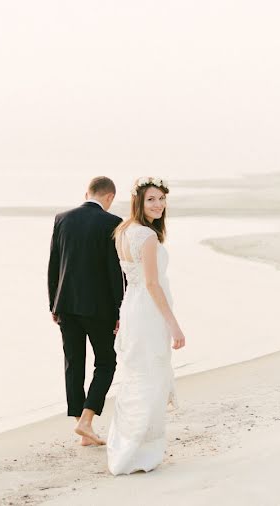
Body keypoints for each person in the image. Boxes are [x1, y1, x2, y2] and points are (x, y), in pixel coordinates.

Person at [107, 177, 186, 475]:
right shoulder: (148, 237)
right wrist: (174, 325)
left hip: (131, 309)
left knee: (136, 376)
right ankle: (140, 451)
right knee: (150, 377)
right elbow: (152, 284)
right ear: (138, 202)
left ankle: (126, 445)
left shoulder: (123, 231)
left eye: (162, 199)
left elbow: (134, 280)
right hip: (149, 313)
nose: (158, 205)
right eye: (151, 199)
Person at [48, 176, 125, 446]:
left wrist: (53, 304)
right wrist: (120, 308)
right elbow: (114, 272)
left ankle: (80, 426)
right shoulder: (112, 223)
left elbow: (54, 264)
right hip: (98, 308)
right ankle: (87, 421)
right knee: (106, 362)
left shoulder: (62, 218)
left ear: (87, 193)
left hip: (66, 305)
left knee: (74, 363)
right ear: (109, 197)